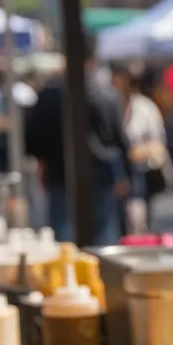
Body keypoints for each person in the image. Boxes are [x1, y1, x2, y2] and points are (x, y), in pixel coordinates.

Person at [25, 32, 129, 245]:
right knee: (103, 238)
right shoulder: (107, 94)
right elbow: (120, 141)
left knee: (64, 241)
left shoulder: (49, 94)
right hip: (100, 174)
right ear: (93, 58)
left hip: (59, 174)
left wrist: (43, 166)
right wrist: (124, 174)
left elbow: (33, 140)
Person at [111, 64, 173, 234]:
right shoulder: (108, 104)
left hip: (140, 174)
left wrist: (137, 152)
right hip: (113, 174)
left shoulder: (145, 107)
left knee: (137, 221)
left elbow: (158, 143)